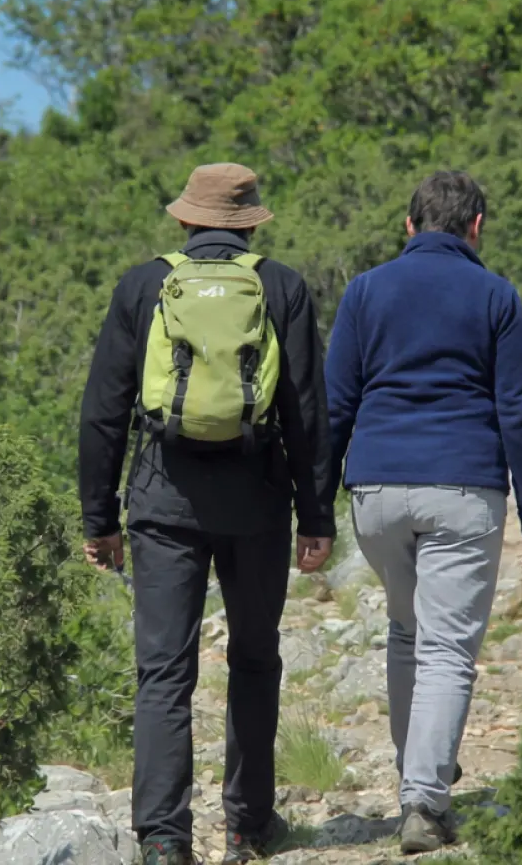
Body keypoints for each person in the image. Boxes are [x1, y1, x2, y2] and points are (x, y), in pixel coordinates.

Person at [78, 162, 336, 865]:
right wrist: (316, 517)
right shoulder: (279, 286)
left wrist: (98, 518)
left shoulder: (143, 286)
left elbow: (103, 411)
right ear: (249, 222)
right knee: (255, 658)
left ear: (185, 220)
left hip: (163, 501)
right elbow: (307, 411)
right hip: (256, 502)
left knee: (163, 671)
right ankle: (249, 827)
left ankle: (164, 838)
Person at [324, 170, 522, 854]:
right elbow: (517, 407)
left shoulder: (364, 291)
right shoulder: (496, 295)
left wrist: (312, 504)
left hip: (376, 493)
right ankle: (423, 800)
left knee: (406, 631)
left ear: (409, 225)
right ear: (476, 227)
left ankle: (416, 768)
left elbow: (337, 404)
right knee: (449, 647)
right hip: (462, 488)